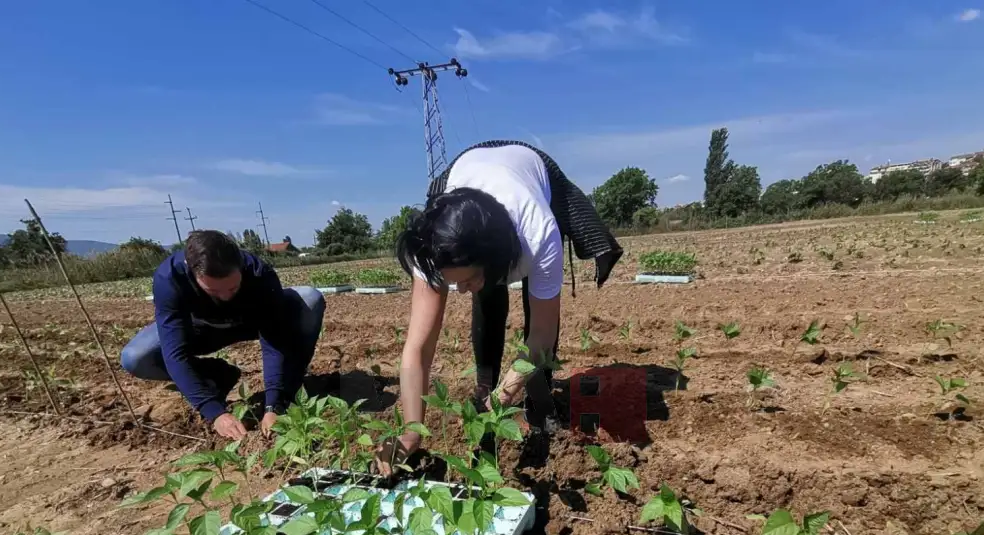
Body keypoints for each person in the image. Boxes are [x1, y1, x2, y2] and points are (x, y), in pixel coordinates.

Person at [375, 141, 622, 476]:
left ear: (497, 262)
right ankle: (483, 382)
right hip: (470, 172)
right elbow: (417, 348)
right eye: (452, 282)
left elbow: (541, 336)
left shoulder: (539, 232)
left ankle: (539, 400)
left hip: (531, 174)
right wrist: (410, 430)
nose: (458, 291)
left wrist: (502, 400)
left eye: (465, 280)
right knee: (486, 299)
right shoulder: (433, 245)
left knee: (528, 317)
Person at [120, 230, 326, 440]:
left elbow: (274, 340)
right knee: (135, 358)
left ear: (240, 267)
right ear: (193, 272)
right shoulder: (170, 278)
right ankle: (216, 376)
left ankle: (291, 387)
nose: (226, 296)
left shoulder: (259, 273)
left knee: (310, 298)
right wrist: (214, 411)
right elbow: (175, 353)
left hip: (248, 323)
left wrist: (274, 403)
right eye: (214, 291)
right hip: (199, 331)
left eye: (233, 287)